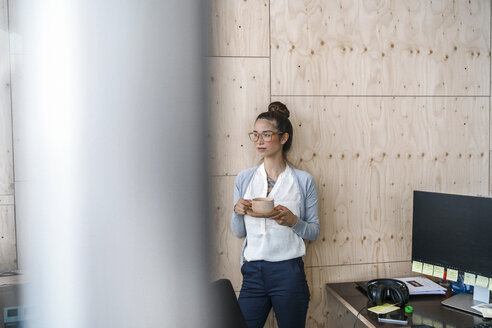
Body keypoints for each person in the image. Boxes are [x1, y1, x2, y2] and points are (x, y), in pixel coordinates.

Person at [231, 101, 320, 328]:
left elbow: (314, 232)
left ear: (283, 138)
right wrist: (237, 211)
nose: (258, 141)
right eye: (255, 135)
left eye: (266, 135)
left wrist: (293, 222)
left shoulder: (303, 180)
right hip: (252, 273)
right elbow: (238, 231)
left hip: (288, 273)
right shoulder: (244, 179)